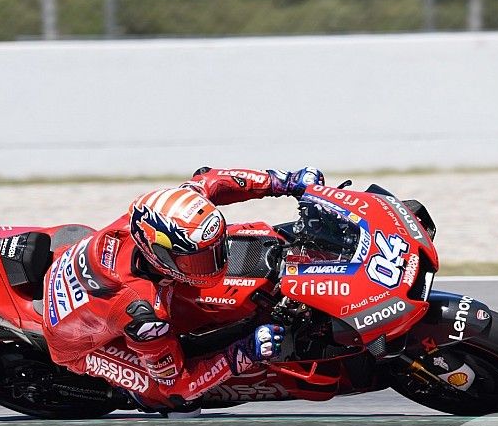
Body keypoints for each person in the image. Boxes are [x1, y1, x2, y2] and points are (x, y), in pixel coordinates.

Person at [42, 166, 324, 411]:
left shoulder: (166, 210)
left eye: (213, 251)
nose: (214, 263)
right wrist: (245, 351)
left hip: (89, 281)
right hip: (79, 343)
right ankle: (140, 398)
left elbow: (212, 180)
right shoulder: (142, 313)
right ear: (157, 253)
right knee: (176, 402)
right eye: (198, 259)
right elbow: (178, 385)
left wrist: (285, 181)